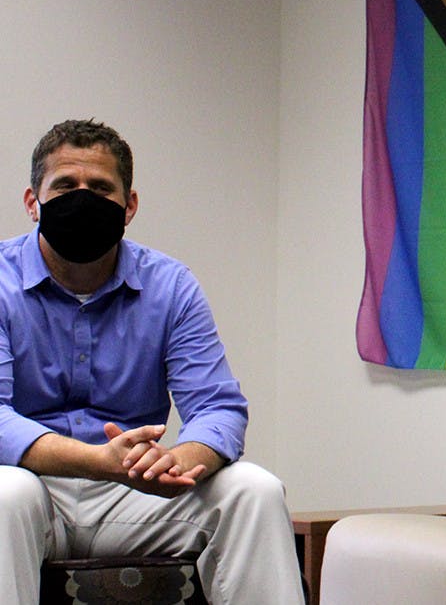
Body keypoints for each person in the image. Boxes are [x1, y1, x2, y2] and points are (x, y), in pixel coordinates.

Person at [0, 119, 303, 604]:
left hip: (137, 493)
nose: (83, 198)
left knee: (254, 489)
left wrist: (175, 462)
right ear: (32, 202)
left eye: (101, 188)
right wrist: (99, 461)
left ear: (129, 206)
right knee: (3, 493)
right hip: (32, 489)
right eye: (65, 186)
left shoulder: (170, 285)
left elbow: (218, 408)